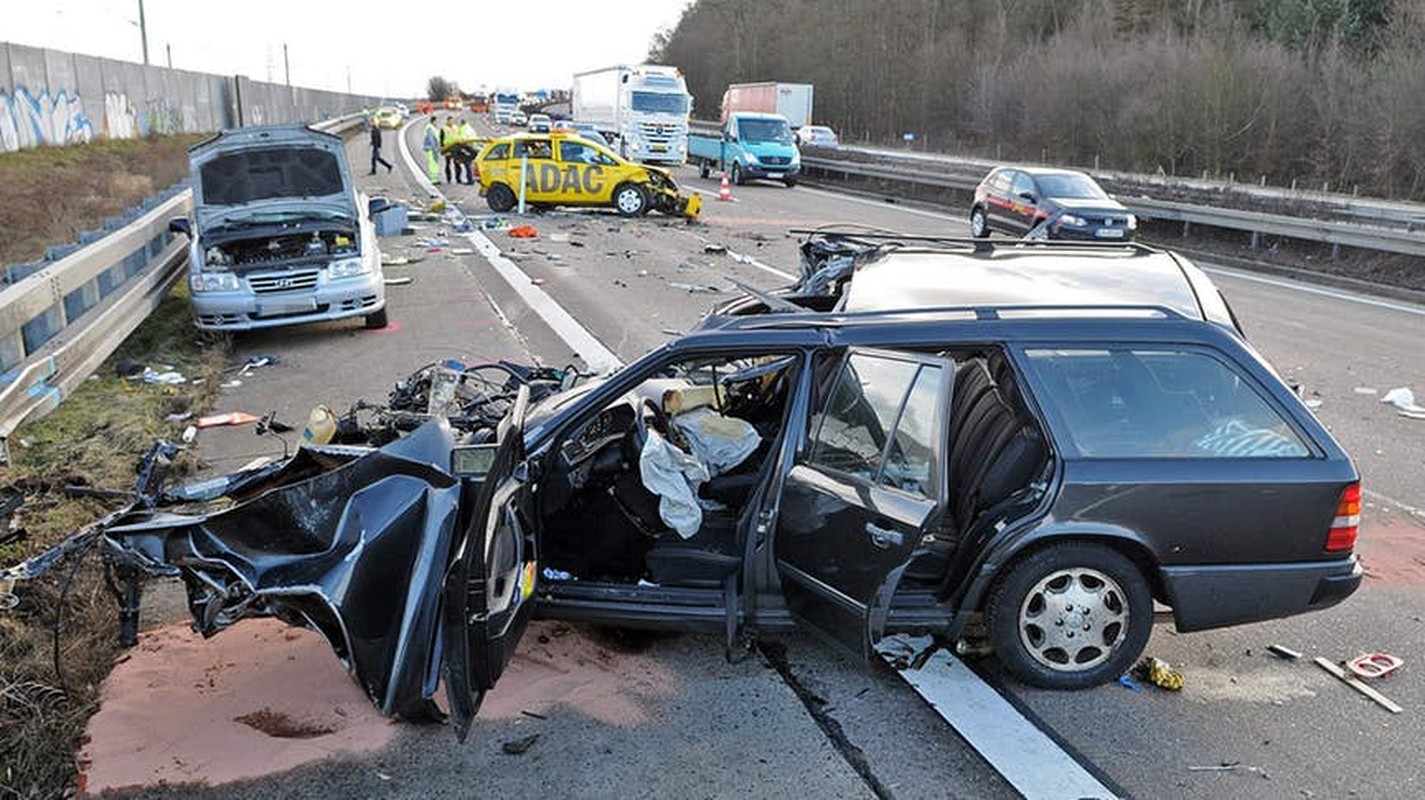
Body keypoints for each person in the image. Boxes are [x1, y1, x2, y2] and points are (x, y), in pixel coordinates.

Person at [422, 116, 441, 184]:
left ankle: (435, 178)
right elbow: (431, 140)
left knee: (435, 163)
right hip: (431, 148)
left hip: (433, 148)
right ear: (433, 121)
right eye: (436, 121)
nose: (437, 123)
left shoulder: (432, 128)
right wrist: (435, 149)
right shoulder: (430, 128)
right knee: (433, 163)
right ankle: (433, 179)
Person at [441, 117, 460, 184]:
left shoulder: (456, 127)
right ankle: (448, 179)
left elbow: (458, 136)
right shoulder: (444, 128)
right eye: (450, 121)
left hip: (455, 147)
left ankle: (458, 179)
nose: (451, 122)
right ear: (447, 121)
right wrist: (442, 148)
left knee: (457, 163)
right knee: (448, 164)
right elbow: (441, 138)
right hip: (448, 147)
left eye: (452, 121)